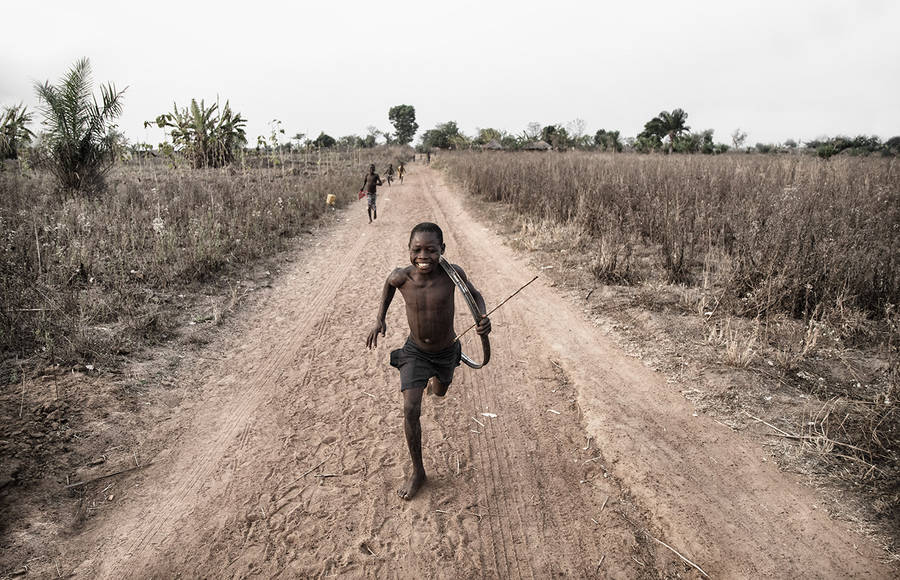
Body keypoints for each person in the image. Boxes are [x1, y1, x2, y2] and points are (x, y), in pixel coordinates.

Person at [366, 223, 491, 500]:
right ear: (409, 251)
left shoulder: (452, 275)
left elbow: (476, 295)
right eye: (417, 250)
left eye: (431, 250)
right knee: (411, 408)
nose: (423, 256)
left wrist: (482, 318)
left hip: (446, 352)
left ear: (442, 250)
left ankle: (434, 381)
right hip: (416, 352)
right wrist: (380, 319)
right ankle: (418, 471)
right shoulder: (402, 277)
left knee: (440, 390)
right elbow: (388, 285)